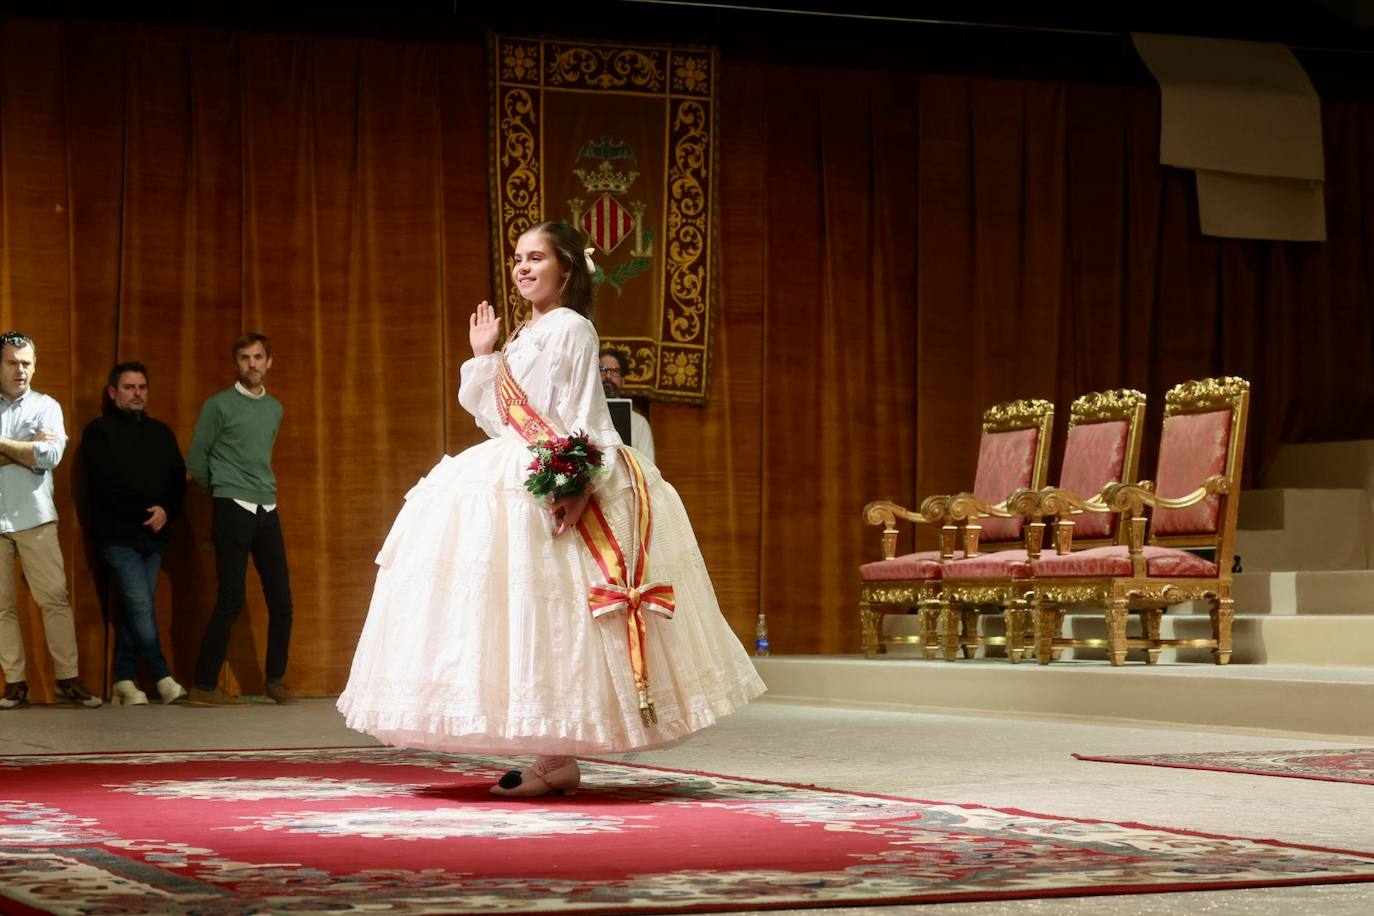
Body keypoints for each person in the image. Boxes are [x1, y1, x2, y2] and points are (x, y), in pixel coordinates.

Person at [338, 221, 764, 797]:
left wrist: (576, 482)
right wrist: (485, 356)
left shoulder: (572, 328)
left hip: (553, 474)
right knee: (518, 616)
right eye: (517, 258)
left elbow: (584, 413)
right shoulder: (522, 333)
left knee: (560, 618)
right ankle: (552, 753)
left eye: (536, 257)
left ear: (566, 267)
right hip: (512, 464)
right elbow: (497, 417)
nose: (522, 267)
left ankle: (557, 752)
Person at [185, 333, 296, 707]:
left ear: (269, 362)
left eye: (259, 357)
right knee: (231, 599)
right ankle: (203, 684)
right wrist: (222, 489)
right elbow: (197, 458)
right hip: (232, 504)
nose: (252, 364)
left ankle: (276, 680)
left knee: (282, 600)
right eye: (245, 358)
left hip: (268, 506)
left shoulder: (275, 408)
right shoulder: (218, 406)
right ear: (237, 364)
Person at [0, 331, 101, 709]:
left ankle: (67, 679)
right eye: (12, 362)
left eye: (27, 363)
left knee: (55, 599)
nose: (21, 369)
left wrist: (11, 448)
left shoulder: (46, 406)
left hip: (35, 519)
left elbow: (49, 455)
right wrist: (24, 450)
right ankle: (15, 684)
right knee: (1, 607)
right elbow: (35, 452)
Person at [80, 361, 189, 706]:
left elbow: (177, 479)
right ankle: (163, 676)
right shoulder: (99, 431)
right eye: (129, 387)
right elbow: (104, 485)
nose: (137, 393)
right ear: (113, 393)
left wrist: (165, 512)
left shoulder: (161, 432)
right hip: (117, 536)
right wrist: (145, 513)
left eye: (142, 387)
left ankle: (124, 680)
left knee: (135, 607)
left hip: (154, 536)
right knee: (140, 603)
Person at [599, 347, 656, 464]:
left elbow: (649, 467)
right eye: (602, 370)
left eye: (615, 371)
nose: (608, 376)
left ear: (623, 381)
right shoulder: (583, 416)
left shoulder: (640, 423)